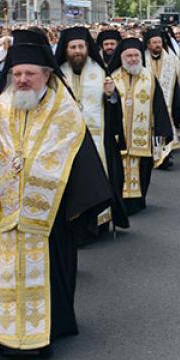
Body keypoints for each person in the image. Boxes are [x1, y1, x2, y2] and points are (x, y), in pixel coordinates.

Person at [0, 41, 113, 360]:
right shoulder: (0, 108)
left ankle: (44, 333)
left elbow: (81, 159)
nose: (22, 79)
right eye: (17, 73)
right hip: (8, 209)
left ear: (47, 75)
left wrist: (78, 208)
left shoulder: (64, 110)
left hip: (51, 213)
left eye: (30, 73)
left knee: (50, 274)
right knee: (6, 271)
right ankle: (4, 334)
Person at [55, 27, 127, 234]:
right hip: (65, 141)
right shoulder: (58, 75)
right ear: (66, 49)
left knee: (98, 177)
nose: (77, 51)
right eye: (73, 47)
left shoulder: (100, 71)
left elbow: (114, 106)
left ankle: (99, 223)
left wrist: (111, 96)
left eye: (81, 46)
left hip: (97, 138)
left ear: (87, 48)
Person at [105, 38, 174, 214]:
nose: (133, 59)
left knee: (142, 167)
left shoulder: (149, 77)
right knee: (118, 168)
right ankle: (120, 201)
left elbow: (159, 105)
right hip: (118, 135)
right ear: (121, 57)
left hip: (142, 134)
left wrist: (163, 130)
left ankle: (138, 200)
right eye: (129, 56)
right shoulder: (111, 78)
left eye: (136, 55)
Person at [145, 30, 180, 168]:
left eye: (159, 42)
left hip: (165, 100)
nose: (157, 45)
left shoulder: (170, 58)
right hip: (146, 100)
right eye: (154, 42)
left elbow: (177, 81)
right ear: (148, 44)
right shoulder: (141, 58)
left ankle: (165, 155)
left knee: (163, 126)